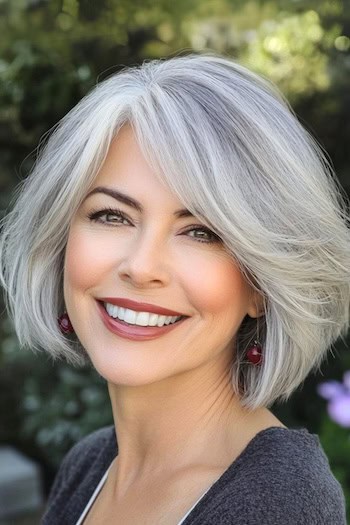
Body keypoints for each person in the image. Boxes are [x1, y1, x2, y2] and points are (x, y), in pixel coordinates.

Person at [0, 52, 349, 525]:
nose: (142, 267)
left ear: (262, 285)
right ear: (60, 239)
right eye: (111, 215)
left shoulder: (280, 504)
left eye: (201, 232)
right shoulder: (90, 466)